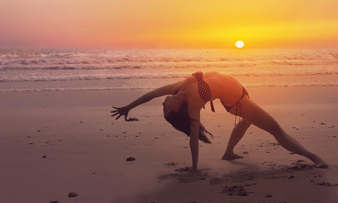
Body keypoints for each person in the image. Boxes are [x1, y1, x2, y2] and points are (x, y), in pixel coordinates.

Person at [111, 71, 327, 171]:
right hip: (237, 102)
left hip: (241, 91)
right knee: (275, 129)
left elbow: (150, 94)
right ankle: (314, 157)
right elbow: (193, 140)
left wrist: (128, 107)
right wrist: (194, 167)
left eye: (163, 106)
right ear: (176, 111)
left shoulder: (177, 89)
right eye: (165, 109)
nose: (163, 103)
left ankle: (228, 152)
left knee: (246, 122)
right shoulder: (193, 106)